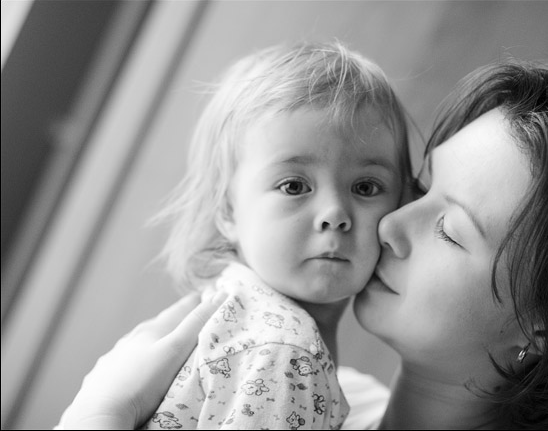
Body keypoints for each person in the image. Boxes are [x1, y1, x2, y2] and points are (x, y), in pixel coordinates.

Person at [58, 60, 548, 429]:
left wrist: (99, 414)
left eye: (449, 228)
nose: (386, 223)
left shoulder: (291, 370)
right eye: (422, 186)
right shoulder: (316, 387)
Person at [136, 41, 411, 430]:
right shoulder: (286, 354)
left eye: (365, 187)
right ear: (227, 209)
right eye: (294, 186)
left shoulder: (248, 323)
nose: (335, 214)